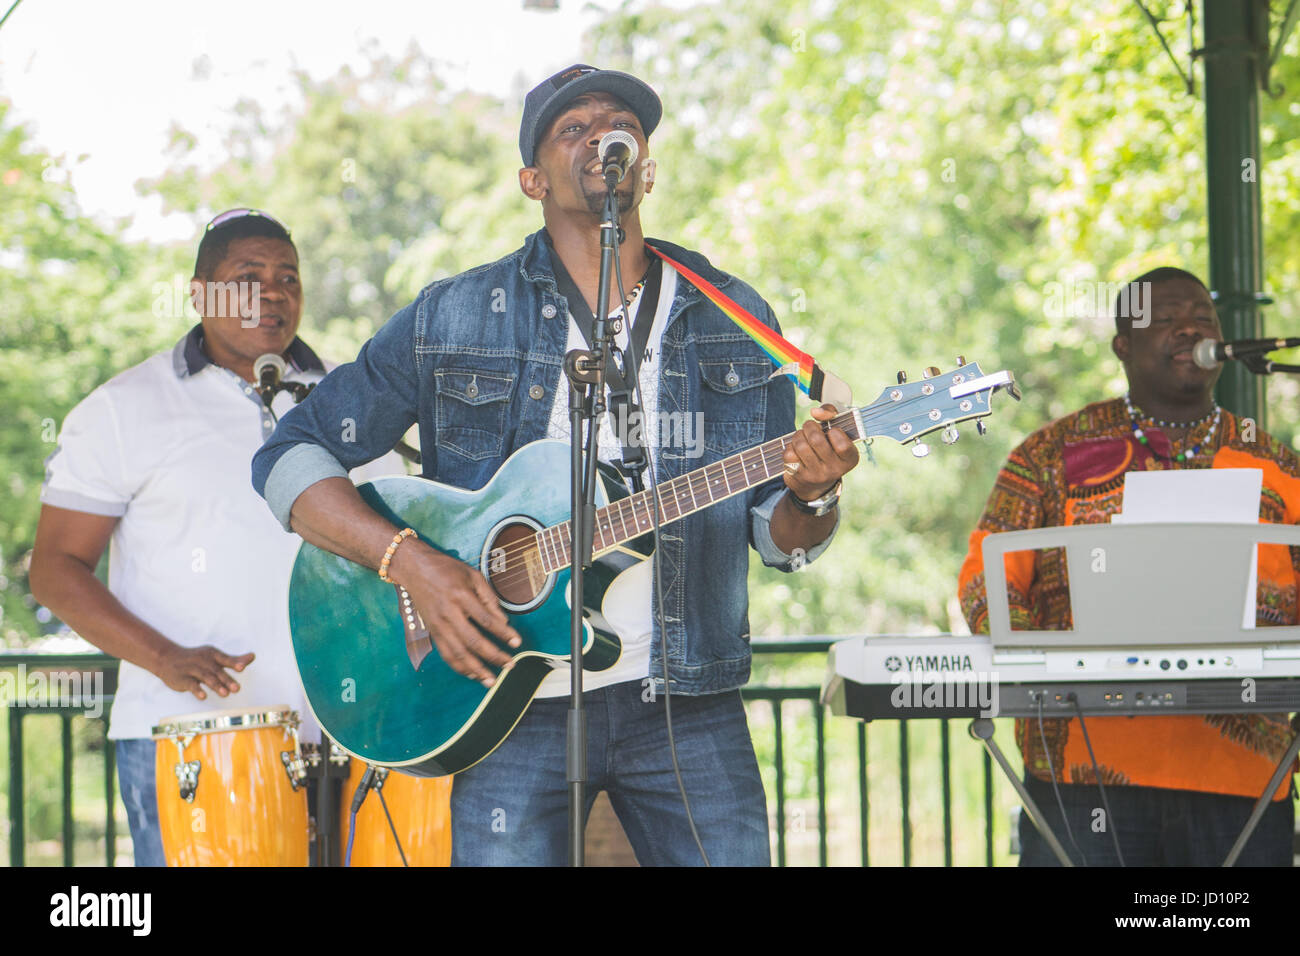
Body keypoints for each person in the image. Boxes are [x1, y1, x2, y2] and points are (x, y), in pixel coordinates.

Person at [251, 64, 860, 866]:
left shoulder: (732, 317)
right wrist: (416, 566)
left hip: (684, 696)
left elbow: (776, 538)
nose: (602, 138)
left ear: (646, 166)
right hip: (505, 696)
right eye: (573, 129)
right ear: (532, 179)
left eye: (621, 128)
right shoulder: (455, 314)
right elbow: (288, 456)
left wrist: (813, 495)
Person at [30, 209, 401, 866]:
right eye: (248, 275)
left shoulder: (352, 400)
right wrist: (163, 655)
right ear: (200, 293)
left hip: (348, 738)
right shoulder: (123, 409)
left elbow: (401, 541)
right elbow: (56, 568)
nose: (275, 292)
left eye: (289, 276)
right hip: (186, 740)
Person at [958, 266, 1299, 866]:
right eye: (1165, 319)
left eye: (1202, 318)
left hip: (1243, 774)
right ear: (1123, 345)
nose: (1188, 328)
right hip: (1084, 770)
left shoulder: (1272, 463)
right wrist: (1037, 665)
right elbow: (986, 577)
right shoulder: (1051, 455)